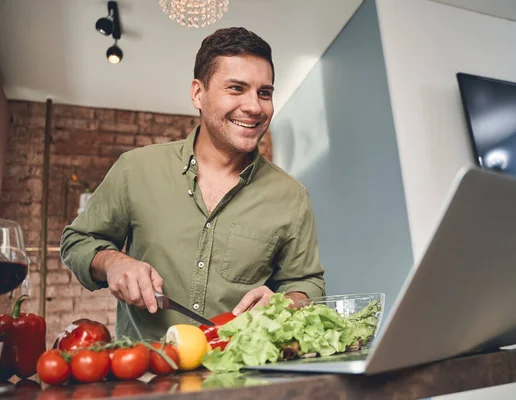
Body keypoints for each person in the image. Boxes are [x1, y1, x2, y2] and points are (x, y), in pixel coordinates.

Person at [60, 27, 326, 340]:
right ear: (198, 94)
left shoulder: (291, 197)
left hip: (241, 377)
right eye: (236, 88)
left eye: (264, 93)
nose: (255, 106)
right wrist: (112, 261)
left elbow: (307, 284)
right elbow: (77, 240)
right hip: (146, 375)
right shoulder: (135, 169)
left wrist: (287, 303)